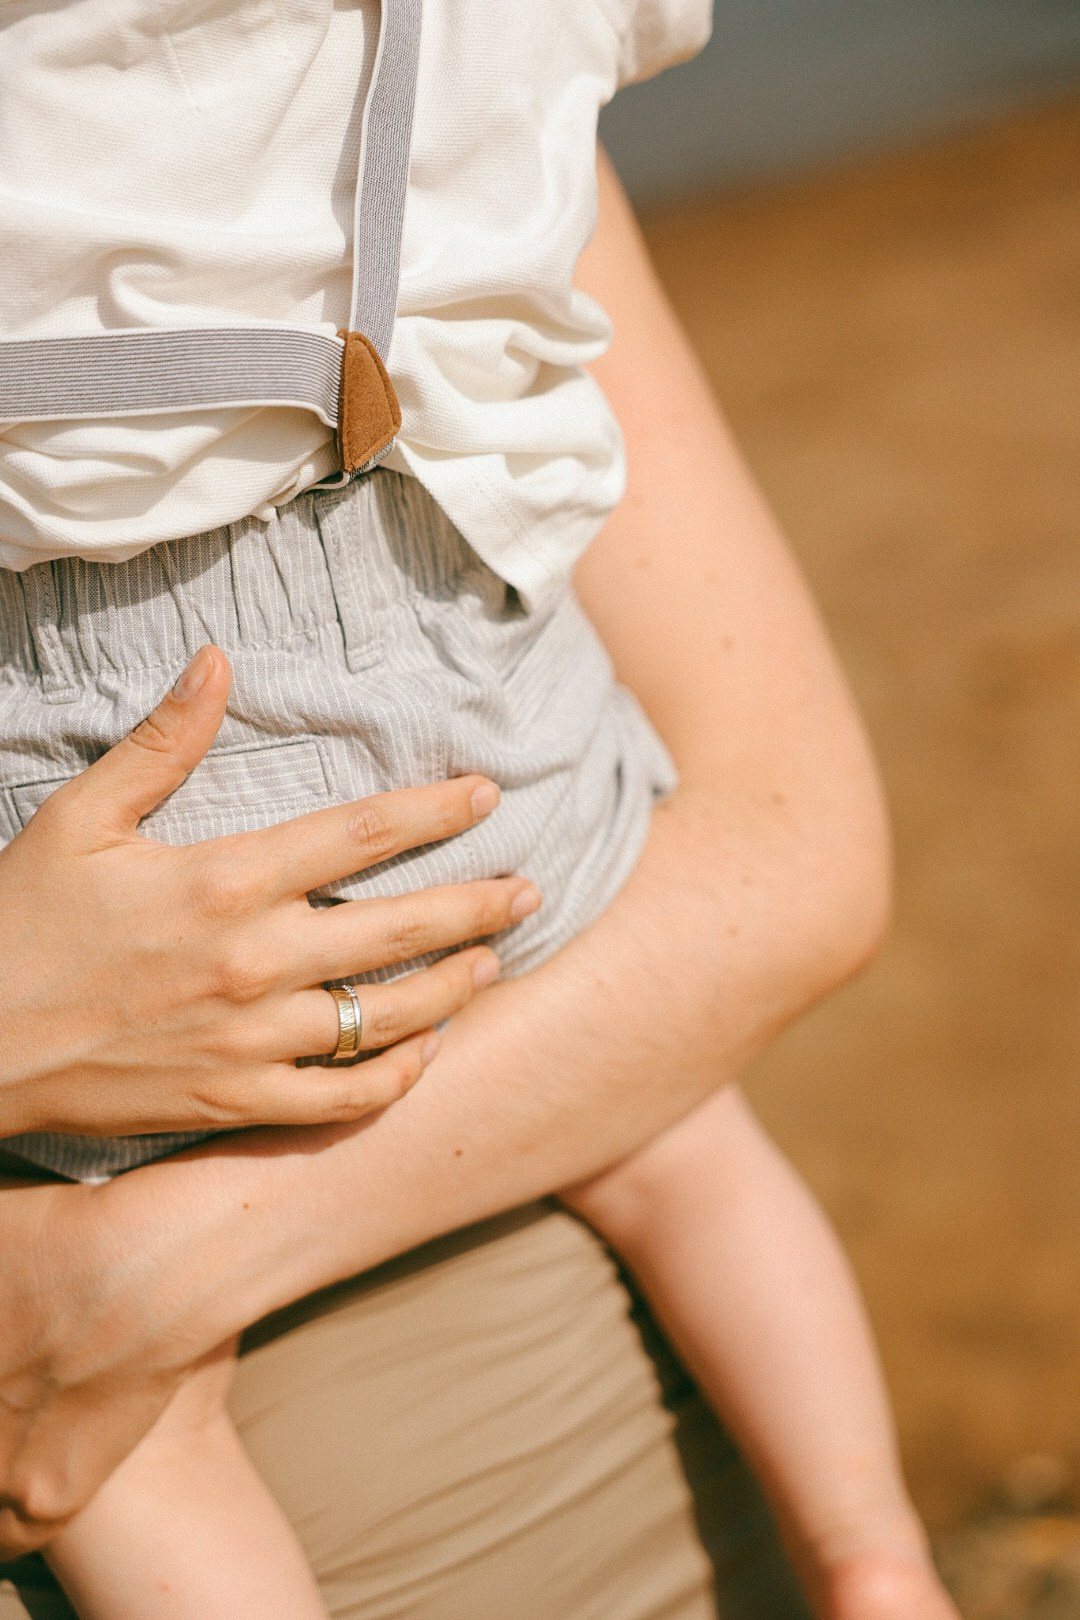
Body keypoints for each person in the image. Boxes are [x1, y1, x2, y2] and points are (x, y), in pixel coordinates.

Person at [0, 3, 952, 1617]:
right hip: (425, 656)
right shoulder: (432, 93)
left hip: (86, 745)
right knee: (685, 1139)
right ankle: (875, 1550)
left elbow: (808, 867)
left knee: (143, 1450)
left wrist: (151, 1259)